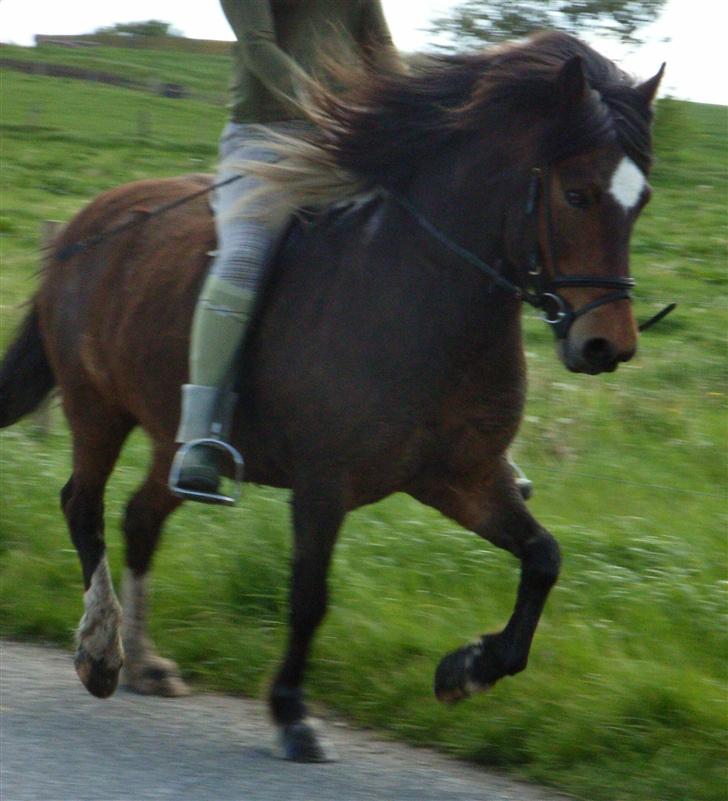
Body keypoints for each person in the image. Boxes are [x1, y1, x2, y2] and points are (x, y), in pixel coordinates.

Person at [169, 0, 402, 504]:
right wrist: (325, 105)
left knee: (423, 233)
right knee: (245, 256)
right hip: (264, 139)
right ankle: (200, 436)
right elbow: (259, 48)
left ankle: (463, 431)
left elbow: (380, 50)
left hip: (341, 141)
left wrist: (412, 116)